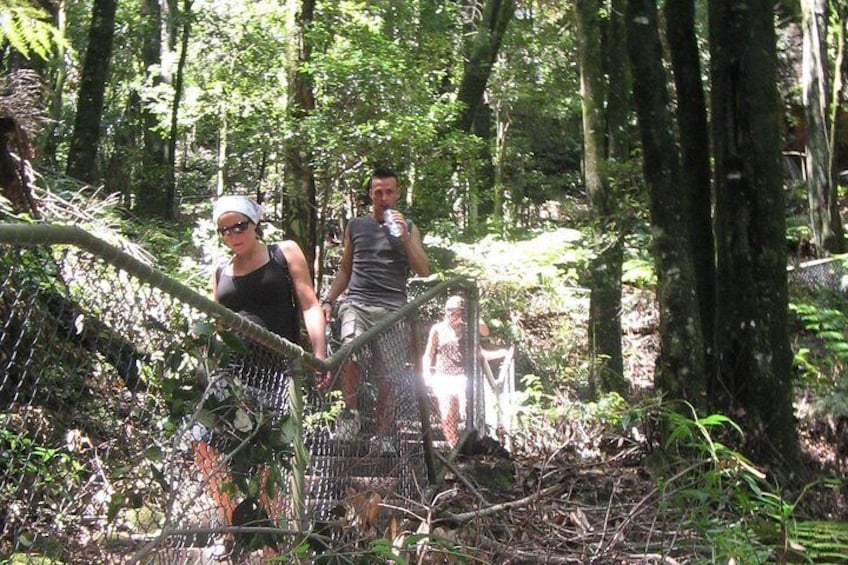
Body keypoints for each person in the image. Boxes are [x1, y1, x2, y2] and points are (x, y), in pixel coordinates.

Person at [196, 194, 327, 534]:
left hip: (278, 370)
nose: (233, 235)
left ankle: (273, 540)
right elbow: (218, 325)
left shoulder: (282, 254)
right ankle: (240, 529)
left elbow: (309, 303)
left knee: (269, 459)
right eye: (224, 230)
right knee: (203, 444)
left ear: (254, 223)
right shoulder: (221, 271)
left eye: (239, 226)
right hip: (232, 373)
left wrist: (319, 353)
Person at [320, 167, 430, 450]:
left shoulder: (410, 226)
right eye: (378, 192)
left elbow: (423, 269)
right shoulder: (356, 226)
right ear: (370, 194)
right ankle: (350, 415)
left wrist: (405, 237)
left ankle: (382, 435)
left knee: (388, 375)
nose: (383, 198)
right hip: (357, 302)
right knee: (350, 352)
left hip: (393, 308)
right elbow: (345, 270)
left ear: (398, 193)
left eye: (389, 192)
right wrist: (330, 300)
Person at [422, 295, 489, 447]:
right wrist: (427, 374)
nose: (453, 314)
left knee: (466, 410)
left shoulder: (469, 328)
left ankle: (468, 445)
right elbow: (428, 354)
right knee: (447, 414)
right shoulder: (438, 329)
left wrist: (472, 317)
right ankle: (453, 447)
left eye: (458, 311)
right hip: (443, 375)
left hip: (464, 375)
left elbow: (485, 332)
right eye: (450, 310)